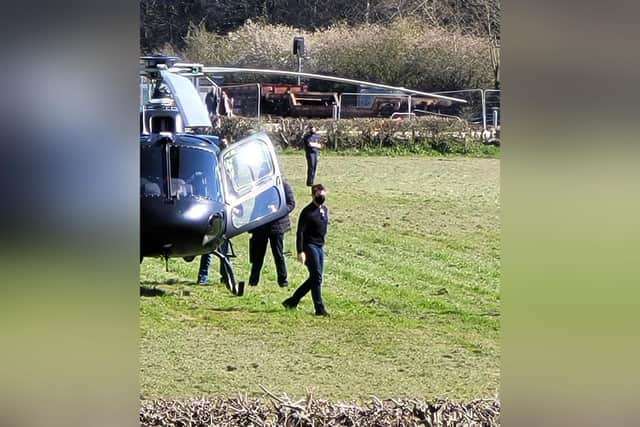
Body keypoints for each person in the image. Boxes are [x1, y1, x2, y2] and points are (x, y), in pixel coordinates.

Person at [282, 184, 330, 316]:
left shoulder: (324, 210)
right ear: (313, 195)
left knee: (316, 277)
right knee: (317, 277)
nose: (321, 197)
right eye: (319, 195)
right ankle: (319, 308)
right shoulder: (307, 212)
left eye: (323, 194)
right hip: (310, 246)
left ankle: (292, 301)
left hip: (320, 246)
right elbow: (300, 233)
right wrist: (300, 251)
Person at [248, 180, 296, 287]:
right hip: (262, 226)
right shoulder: (261, 186)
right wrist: (252, 223)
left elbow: (291, 203)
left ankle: (283, 281)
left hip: (277, 226)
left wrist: (279, 210)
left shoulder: (284, 186)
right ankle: (253, 281)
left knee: (278, 254)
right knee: (258, 256)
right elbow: (256, 205)